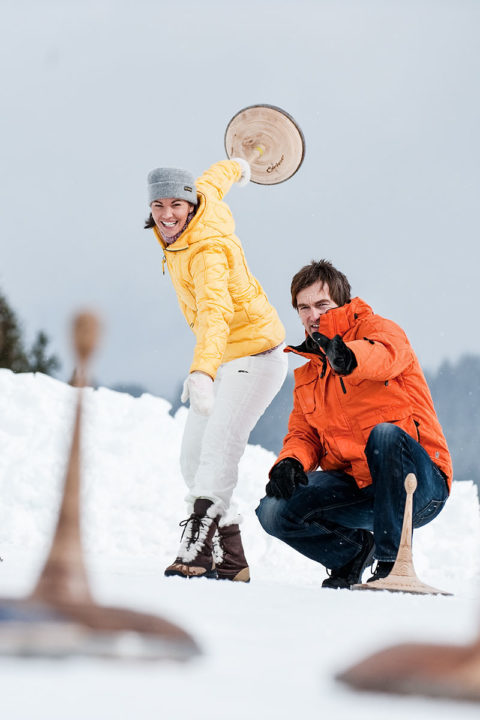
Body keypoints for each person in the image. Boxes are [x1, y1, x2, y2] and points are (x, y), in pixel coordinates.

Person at [256, 259, 452, 589]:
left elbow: (384, 354)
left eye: (322, 304)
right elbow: (304, 434)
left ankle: (391, 566)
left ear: (343, 303)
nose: (312, 315)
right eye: (303, 307)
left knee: (386, 435)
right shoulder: (309, 375)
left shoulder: (380, 331)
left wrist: (349, 357)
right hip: (361, 490)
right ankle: (352, 553)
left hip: (419, 487)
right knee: (274, 509)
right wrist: (290, 461)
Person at [145, 158, 287, 582]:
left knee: (217, 450)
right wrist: (242, 164)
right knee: (192, 457)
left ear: (190, 206)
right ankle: (232, 558)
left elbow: (215, 314)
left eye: (176, 205)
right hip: (224, 357)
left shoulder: (207, 249)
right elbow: (215, 178)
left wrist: (202, 372)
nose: (168, 214)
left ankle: (197, 549)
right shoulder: (196, 204)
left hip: (257, 357)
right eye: (158, 205)